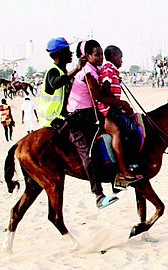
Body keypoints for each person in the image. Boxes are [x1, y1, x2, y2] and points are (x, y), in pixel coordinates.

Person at [67, 40, 118, 209]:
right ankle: (98, 195)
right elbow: (98, 96)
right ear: (87, 56)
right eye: (97, 55)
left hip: (88, 114)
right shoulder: (87, 71)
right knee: (88, 154)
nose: (101, 58)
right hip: (78, 117)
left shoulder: (95, 70)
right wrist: (122, 104)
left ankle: (117, 179)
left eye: (102, 54)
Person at [97, 45, 144, 187]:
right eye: (120, 56)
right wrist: (120, 104)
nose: (122, 60)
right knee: (127, 129)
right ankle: (124, 168)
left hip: (113, 108)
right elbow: (105, 90)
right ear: (113, 56)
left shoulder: (112, 70)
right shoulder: (108, 69)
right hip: (108, 109)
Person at [38, 37, 87, 128]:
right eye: (67, 50)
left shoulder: (64, 72)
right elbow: (55, 83)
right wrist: (76, 69)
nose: (71, 53)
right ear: (60, 53)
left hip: (61, 117)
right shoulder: (53, 71)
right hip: (52, 119)